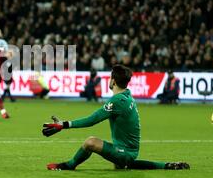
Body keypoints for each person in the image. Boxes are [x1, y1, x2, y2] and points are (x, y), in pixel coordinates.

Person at [42, 64, 190, 170]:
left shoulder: (117, 101)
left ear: (113, 81)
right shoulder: (127, 96)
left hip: (125, 152)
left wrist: (64, 124)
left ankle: (68, 165)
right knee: (122, 165)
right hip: (129, 152)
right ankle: (166, 165)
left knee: (90, 142)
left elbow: (92, 120)